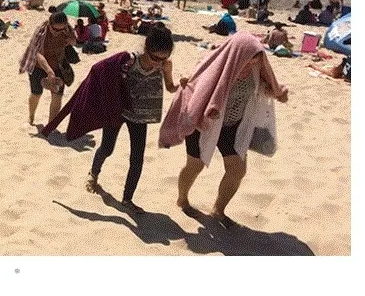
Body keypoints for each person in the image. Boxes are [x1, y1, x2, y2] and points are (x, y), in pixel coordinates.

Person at [159, 31, 289, 229]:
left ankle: (218, 210)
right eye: (250, 59)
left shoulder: (256, 68)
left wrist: (279, 92)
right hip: (204, 124)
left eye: (256, 59)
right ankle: (182, 199)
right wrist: (192, 91)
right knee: (195, 165)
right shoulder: (217, 65)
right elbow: (195, 86)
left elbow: (267, 85)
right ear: (237, 55)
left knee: (237, 170)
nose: (253, 63)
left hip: (232, 126)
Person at [74, 26, 184, 213]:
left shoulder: (166, 64)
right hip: (119, 111)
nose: (158, 62)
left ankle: (127, 199)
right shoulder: (131, 61)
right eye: (154, 57)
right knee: (107, 148)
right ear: (146, 49)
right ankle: (93, 173)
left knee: (137, 158)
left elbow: (170, 87)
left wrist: (180, 85)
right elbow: (103, 73)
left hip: (141, 115)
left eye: (163, 58)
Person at [19, 11, 76, 125]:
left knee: (57, 95)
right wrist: (49, 70)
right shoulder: (41, 31)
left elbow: (74, 41)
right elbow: (38, 54)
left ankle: (51, 124)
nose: (57, 32)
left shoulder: (67, 29)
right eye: (55, 29)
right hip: (38, 66)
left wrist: (71, 41)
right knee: (36, 93)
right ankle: (31, 117)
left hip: (58, 65)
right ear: (50, 24)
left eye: (61, 29)